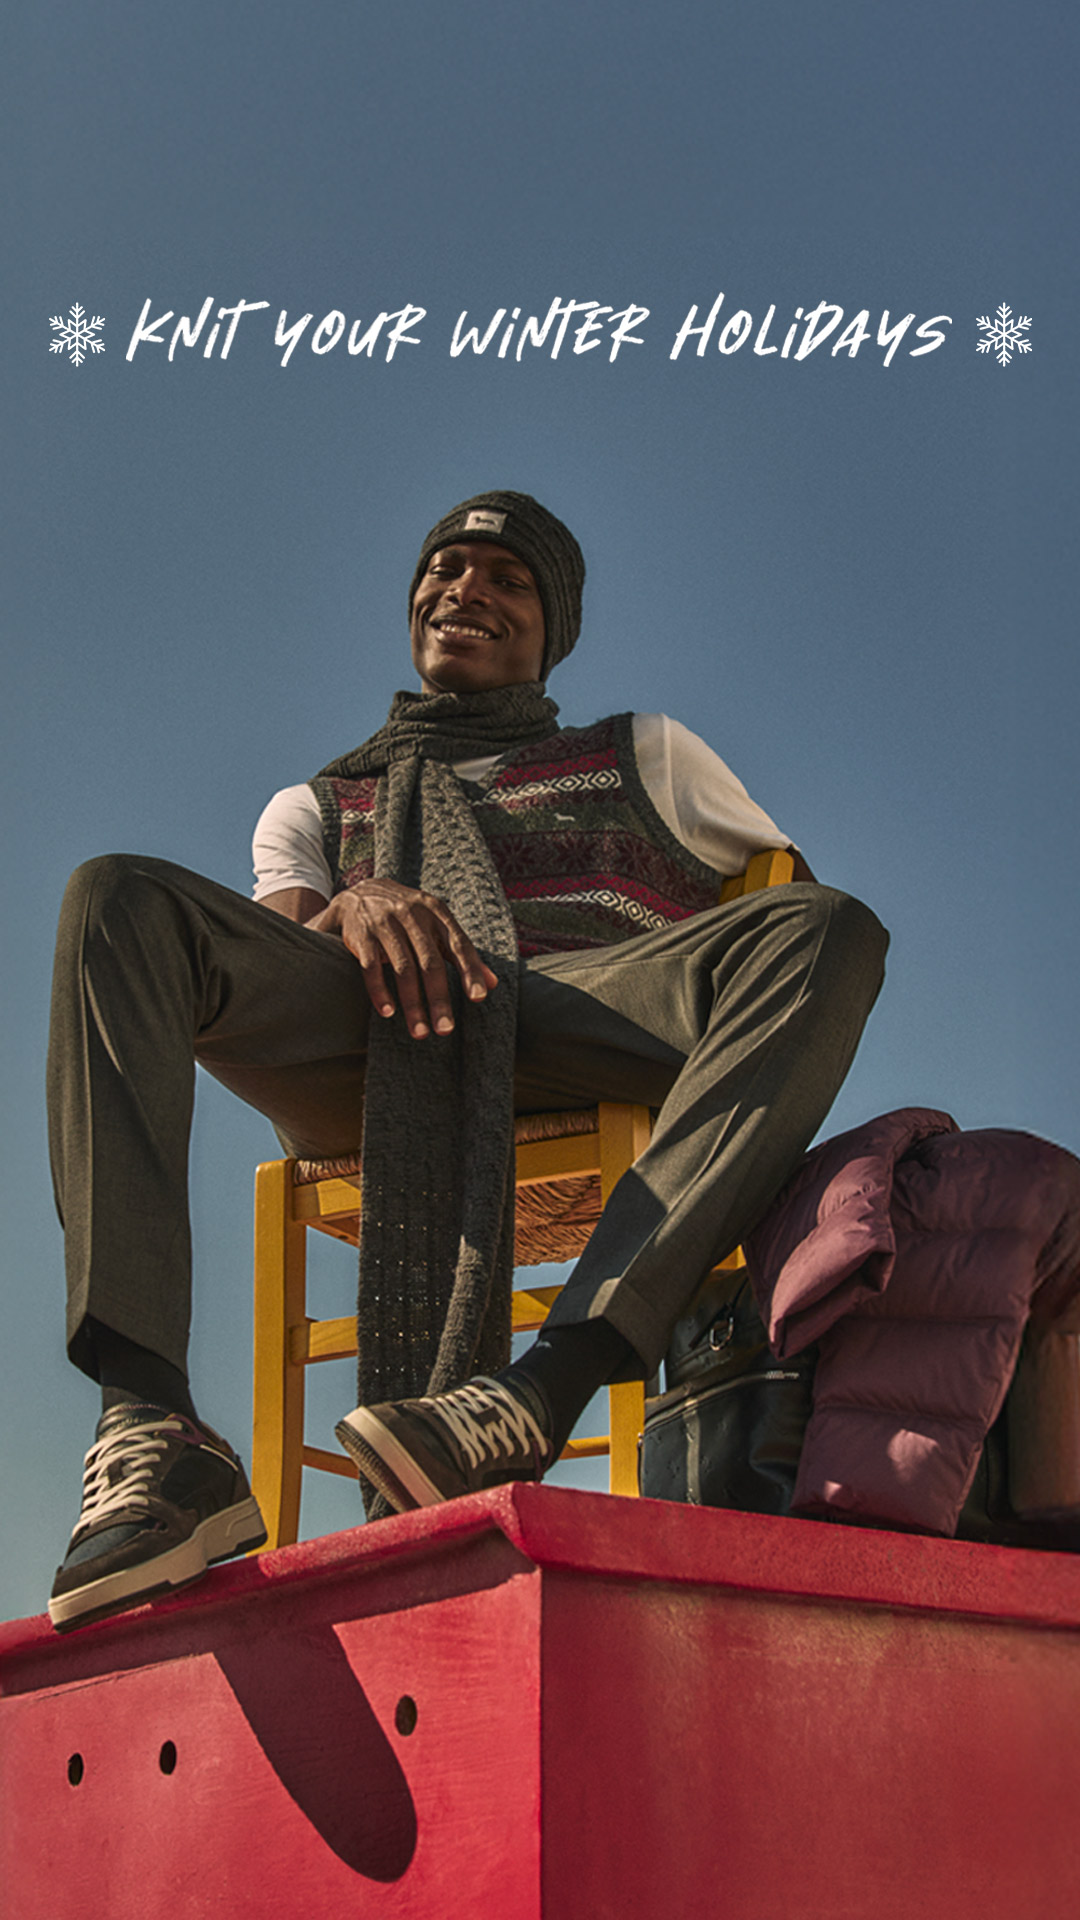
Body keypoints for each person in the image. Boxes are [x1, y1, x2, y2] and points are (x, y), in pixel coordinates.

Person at [46, 489, 888, 1629]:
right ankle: (150, 1426)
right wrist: (352, 903)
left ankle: (539, 1392)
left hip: (569, 1013)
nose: (467, 591)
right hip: (364, 1035)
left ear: (556, 631)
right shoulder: (315, 802)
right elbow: (274, 954)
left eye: (509, 580)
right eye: (446, 570)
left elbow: (780, 902)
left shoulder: (649, 754)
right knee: (116, 897)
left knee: (828, 931)